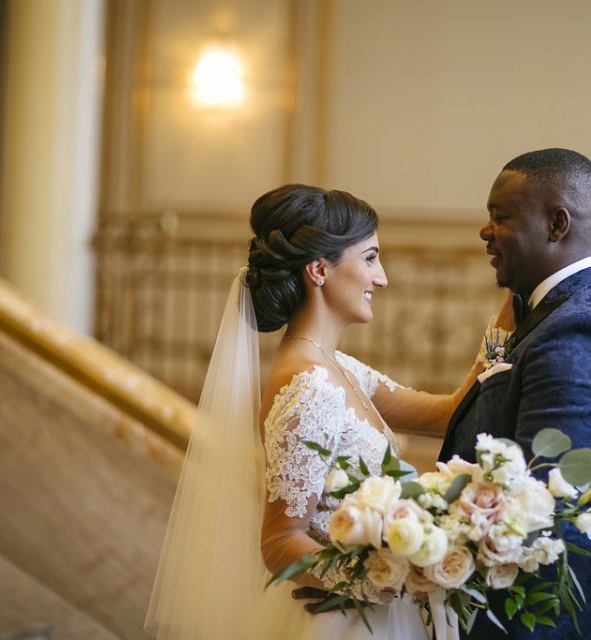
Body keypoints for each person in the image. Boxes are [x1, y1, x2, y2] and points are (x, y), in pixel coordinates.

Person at [145, 184, 506, 639]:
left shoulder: (340, 369)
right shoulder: (306, 387)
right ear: (319, 270)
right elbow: (280, 541)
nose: (382, 278)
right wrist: (388, 578)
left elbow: (449, 413)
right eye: (370, 258)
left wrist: (510, 306)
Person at [439, 148, 591, 639]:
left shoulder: (583, 330)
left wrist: (403, 539)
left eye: (500, 217)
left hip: (565, 613)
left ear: (557, 224)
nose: (484, 231)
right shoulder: (554, 311)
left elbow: (535, 496)